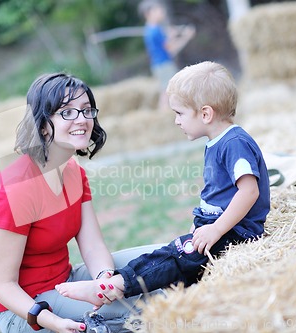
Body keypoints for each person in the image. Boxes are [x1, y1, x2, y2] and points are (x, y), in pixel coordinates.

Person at [55, 61, 271, 309]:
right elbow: (218, 194)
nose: (177, 121)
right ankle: (120, 284)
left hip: (237, 233)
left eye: (179, 113)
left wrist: (216, 229)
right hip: (222, 228)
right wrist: (202, 222)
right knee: (170, 260)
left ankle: (113, 287)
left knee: (172, 258)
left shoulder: (234, 143)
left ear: (205, 114)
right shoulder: (219, 142)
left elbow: (249, 190)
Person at [0, 72, 162, 333]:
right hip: (26, 310)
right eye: (67, 112)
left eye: (87, 110)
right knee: (154, 304)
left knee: (165, 263)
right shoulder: (14, 190)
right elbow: (3, 287)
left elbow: (93, 245)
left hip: (68, 281)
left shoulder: (74, 171)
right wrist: (52, 322)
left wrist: (104, 282)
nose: (82, 120)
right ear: (42, 124)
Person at [138, 0, 196, 112]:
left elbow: (166, 43)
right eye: (158, 10)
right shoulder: (155, 31)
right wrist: (186, 37)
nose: (162, 12)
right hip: (163, 64)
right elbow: (171, 49)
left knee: (166, 91)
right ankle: (163, 115)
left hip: (159, 64)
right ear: (149, 13)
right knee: (168, 92)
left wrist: (173, 35)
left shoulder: (153, 29)